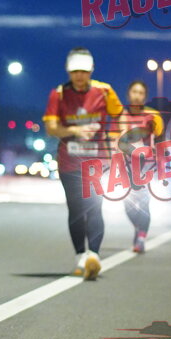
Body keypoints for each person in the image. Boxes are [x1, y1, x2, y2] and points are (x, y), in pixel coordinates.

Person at [43, 48, 123, 280]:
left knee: (95, 206)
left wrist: (116, 138)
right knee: (76, 209)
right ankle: (80, 256)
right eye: (75, 71)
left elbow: (119, 115)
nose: (79, 76)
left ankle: (94, 255)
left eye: (84, 71)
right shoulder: (58, 94)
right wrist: (75, 130)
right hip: (69, 162)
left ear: (91, 70)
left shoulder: (105, 91)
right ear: (68, 71)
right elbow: (51, 128)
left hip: (97, 160)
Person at [116, 80, 163, 253]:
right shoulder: (123, 116)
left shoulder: (152, 116)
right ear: (128, 94)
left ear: (145, 96)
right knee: (127, 204)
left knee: (144, 203)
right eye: (134, 92)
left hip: (147, 166)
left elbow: (160, 138)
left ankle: (141, 237)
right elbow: (122, 139)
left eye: (141, 93)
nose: (137, 95)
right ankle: (138, 227)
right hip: (127, 165)